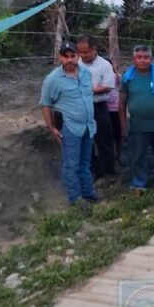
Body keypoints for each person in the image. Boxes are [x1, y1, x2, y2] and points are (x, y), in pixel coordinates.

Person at [39, 41, 99, 205]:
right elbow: (45, 104)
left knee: (85, 163)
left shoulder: (86, 73)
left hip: (88, 126)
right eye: (66, 56)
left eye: (73, 56)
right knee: (71, 164)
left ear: (78, 56)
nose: (70, 60)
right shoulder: (53, 79)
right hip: (70, 127)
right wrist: (51, 128)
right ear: (60, 58)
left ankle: (88, 193)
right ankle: (75, 198)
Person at [118, 45, 154, 196]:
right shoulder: (128, 78)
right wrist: (123, 126)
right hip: (138, 125)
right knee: (138, 156)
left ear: (151, 59)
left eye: (146, 57)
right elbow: (121, 104)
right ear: (134, 59)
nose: (142, 60)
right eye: (139, 57)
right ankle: (138, 183)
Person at [76, 35, 116, 179]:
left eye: (85, 52)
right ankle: (91, 170)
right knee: (85, 139)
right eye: (80, 52)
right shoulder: (76, 63)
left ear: (94, 49)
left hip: (98, 106)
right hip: (81, 107)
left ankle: (108, 171)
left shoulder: (104, 65)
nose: (82, 55)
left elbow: (108, 86)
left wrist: (89, 90)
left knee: (103, 139)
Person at [107, 70, 123, 164]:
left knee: (117, 134)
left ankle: (118, 155)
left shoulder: (116, 76)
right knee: (110, 135)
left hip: (116, 109)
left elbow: (121, 81)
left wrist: (116, 72)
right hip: (106, 109)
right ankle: (114, 155)